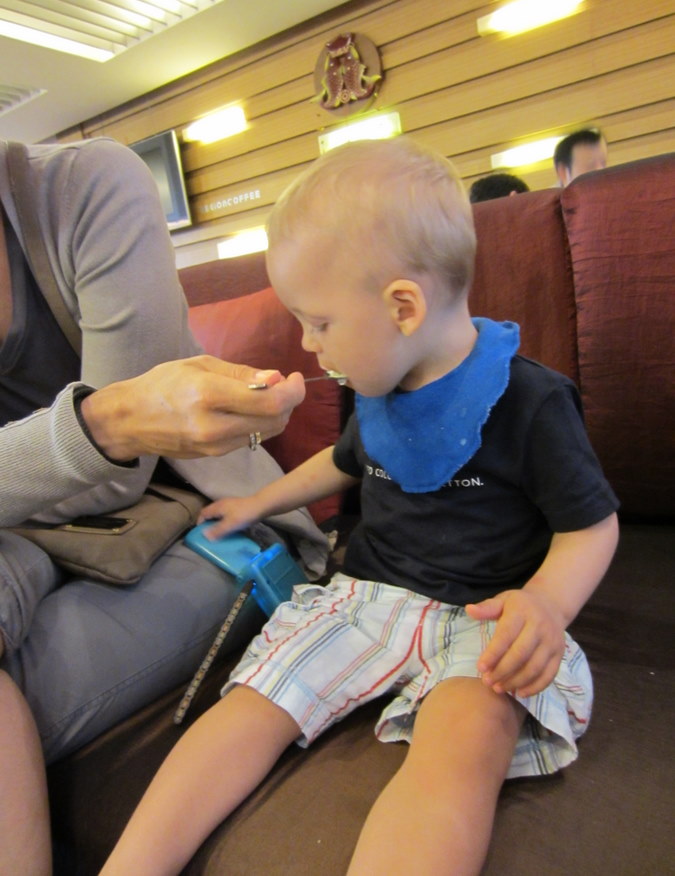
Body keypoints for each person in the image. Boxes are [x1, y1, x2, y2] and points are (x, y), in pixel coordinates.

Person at [101, 137, 620, 876]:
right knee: (250, 704)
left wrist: (546, 604)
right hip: (364, 597)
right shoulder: (377, 382)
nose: (307, 345)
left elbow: (591, 526)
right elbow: (341, 463)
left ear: (402, 307)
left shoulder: (532, 401)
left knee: (465, 745)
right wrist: (257, 501)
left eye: (318, 322)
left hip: (486, 618)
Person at [0, 136, 328, 876]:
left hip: (202, 520)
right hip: (27, 538)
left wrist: (80, 443)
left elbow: (118, 480)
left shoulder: (86, 188)